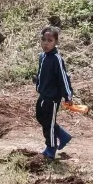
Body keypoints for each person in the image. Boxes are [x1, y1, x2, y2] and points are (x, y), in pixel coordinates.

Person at [35, 26, 76, 160]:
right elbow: (42, 74)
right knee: (41, 117)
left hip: (52, 98)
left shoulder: (57, 59)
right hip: (43, 95)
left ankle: (51, 149)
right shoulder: (42, 56)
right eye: (44, 40)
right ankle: (63, 135)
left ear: (56, 42)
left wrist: (68, 96)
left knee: (49, 123)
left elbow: (63, 78)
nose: (46, 43)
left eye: (50, 40)